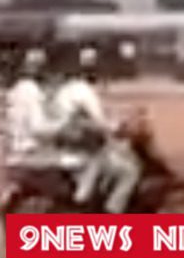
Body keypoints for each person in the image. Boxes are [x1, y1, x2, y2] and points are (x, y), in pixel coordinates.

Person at [52, 47, 141, 213]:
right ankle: (112, 214)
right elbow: (101, 120)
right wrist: (118, 126)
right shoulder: (85, 92)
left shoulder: (65, 90)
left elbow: (96, 115)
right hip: (84, 155)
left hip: (63, 152)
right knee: (129, 172)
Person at [5, 48, 67, 167]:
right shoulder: (32, 91)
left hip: (17, 153)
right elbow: (38, 127)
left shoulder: (15, 89)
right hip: (35, 156)